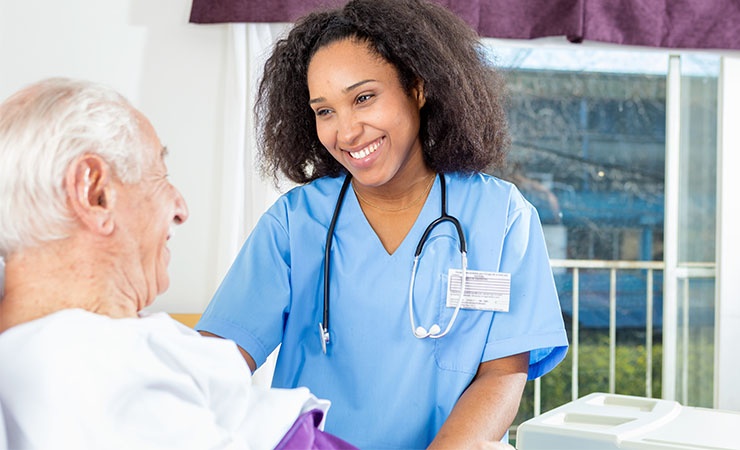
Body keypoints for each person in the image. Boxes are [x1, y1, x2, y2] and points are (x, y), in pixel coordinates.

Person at [197, 0, 569, 448]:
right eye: (325, 111)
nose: (347, 131)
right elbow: (218, 357)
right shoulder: (296, 222)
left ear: (416, 87)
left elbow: (501, 375)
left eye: (363, 98)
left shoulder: (501, 216)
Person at [0, 77, 355, 450]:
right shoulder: (93, 363)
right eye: (159, 174)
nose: (181, 208)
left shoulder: (63, 351)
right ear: (95, 193)